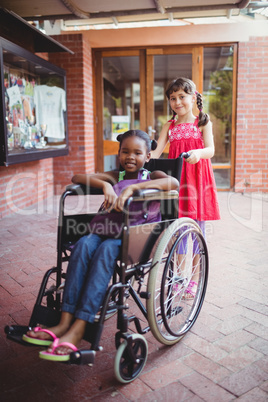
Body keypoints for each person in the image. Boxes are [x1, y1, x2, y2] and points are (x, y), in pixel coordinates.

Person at [23, 129, 179, 361]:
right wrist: (106, 185)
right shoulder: (117, 175)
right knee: (84, 245)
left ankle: (79, 327)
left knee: (105, 251)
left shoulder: (152, 174)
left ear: (147, 156)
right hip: (106, 228)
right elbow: (77, 178)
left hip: (135, 237)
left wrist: (133, 188)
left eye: (137, 152)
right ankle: (65, 321)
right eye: (125, 151)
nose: (130, 156)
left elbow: (174, 182)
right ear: (118, 154)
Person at [151, 78, 220, 298]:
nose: (177, 102)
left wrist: (198, 154)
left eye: (182, 97)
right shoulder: (168, 126)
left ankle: (194, 280)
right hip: (177, 180)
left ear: (193, 97)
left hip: (198, 181)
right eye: (173, 98)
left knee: (196, 231)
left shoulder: (202, 122)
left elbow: (210, 149)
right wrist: (140, 155)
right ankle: (179, 278)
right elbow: (156, 152)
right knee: (178, 230)